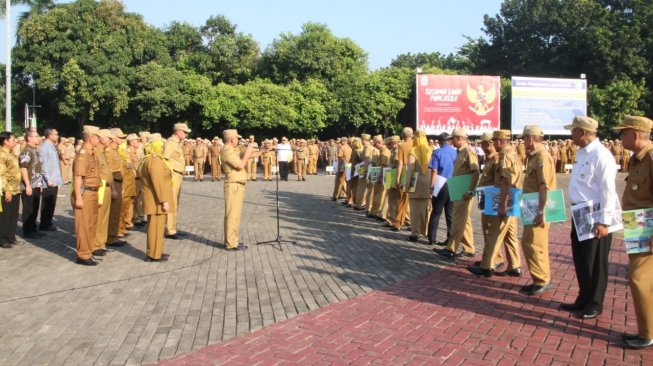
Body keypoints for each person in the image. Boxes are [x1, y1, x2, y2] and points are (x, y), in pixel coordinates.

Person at [559, 116, 620, 319]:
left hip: (596, 215)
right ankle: (583, 298)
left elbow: (608, 191)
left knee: (595, 262)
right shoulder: (582, 153)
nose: (571, 134)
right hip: (581, 212)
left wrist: (605, 221)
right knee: (582, 259)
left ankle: (595, 303)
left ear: (583, 132)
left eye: (574, 131)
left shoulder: (601, 155)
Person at [614, 115, 653, 349]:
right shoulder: (638, 159)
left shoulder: (649, 158)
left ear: (635, 135)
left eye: (624, 133)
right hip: (637, 224)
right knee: (643, 279)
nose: (621, 137)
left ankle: (647, 333)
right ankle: (646, 330)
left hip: (647, 228)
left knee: (638, 278)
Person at [467, 130, 522, 278]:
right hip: (510, 197)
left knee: (494, 233)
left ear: (497, 142)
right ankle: (514, 266)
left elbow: (504, 181)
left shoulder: (504, 156)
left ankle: (487, 266)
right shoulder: (512, 154)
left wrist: (502, 205)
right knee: (510, 235)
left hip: (504, 198)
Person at [519, 125, 556, 296]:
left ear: (530, 139)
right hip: (532, 205)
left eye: (524, 138)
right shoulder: (534, 156)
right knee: (534, 243)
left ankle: (541, 280)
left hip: (538, 208)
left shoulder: (542, 156)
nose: (523, 142)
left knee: (533, 243)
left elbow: (544, 186)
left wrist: (541, 212)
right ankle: (540, 278)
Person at [435, 128, 480, 260]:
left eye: (452, 139)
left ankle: (451, 249)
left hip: (464, 189)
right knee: (464, 221)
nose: (450, 141)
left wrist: (470, 191)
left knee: (457, 220)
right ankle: (469, 248)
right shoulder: (460, 152)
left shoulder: (468, 152)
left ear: (459, 138)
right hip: (459, 187)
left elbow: (476, 172)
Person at [221, 129, 259, 251]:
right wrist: (248, 151)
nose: (238, 140)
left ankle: (233, 240)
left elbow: (246, 155)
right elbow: (240, 165)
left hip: (237, 185)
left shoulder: (232, 150)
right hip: (233, 185)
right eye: (237, 138)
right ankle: (231, 243)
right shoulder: (227, 151)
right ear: (232, 139)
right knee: (232, 215)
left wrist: (264, 151)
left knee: (235, 215)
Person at [141, 133, 174, 262]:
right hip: (156, 200)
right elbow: (157, 181)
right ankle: (153, 254)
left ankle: (157, 251)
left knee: (159, 227)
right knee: (155, 227)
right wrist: (163, 200)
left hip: (156, 198)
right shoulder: (154, 159)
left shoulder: (152, 158)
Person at [73, 126, 102, 265]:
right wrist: (79, 197)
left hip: (93, 192)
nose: (99, 140)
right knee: (84, 226)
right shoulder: (83, 154)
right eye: (98, 137)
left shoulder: (91, 153)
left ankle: (88, 252)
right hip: (85, 193)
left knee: (91, 224)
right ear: (91, 138)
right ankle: (83, 255)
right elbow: (78, 177)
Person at [163, 122, 191, 239]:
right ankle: (170, 230)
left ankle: (173, 226)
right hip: (173, 175)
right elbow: (164, 160)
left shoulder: (178, 143)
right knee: (171, 202)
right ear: (178, 131)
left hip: (178, 176)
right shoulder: (170, 143)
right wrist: (169, 176)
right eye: (184, 132)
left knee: (175, 203)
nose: (186, 134)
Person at [427, 132, 456, 246]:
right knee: (450, 213)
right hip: (453, 183)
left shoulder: (437, 152)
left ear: (439, 142)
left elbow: (434, 170)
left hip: (441, 183)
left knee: (436, 212)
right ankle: (450, 237)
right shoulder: (455, 152)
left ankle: (432, 238)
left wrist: (431, 186)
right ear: (449, 141)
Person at [406, 130, 433, 242]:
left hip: (415, 183)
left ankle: (415, 232)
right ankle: (426, 231)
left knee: (415, 209)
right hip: (428, 182)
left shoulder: (413, 151)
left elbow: (410, 169)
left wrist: (407, 183)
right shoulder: (430, 150)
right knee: (427, 208)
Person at [20, 130, 46, 239]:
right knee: (28, 209)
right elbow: (23, 169)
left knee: (35, 208)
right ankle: (28, 231)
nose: (38, 138)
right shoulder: (26, 151)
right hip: (29, 185)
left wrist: (40, 184)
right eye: (36, 136)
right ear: (29, 138)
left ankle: (33, 229)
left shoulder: (35, 150)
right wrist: (28, 185)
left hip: (36, 184)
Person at [92, 129, 115, 258]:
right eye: (109, 139)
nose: (111, 141)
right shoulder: (95, 152)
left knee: (104, 217)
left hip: (107, 187)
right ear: (102, 139)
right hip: (100, 188)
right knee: (99, 216)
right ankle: (95, 244)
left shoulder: (102, 152)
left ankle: (101, 243)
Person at [0, 132, 21, 248]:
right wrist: (6, 190)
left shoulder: (12, 153)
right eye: (13, 140)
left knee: (14, 215)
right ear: (5, 141)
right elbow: (2, 174)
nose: (15, 142)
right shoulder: (2, 155)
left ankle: (11, 236)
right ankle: (3, 239)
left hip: (16, 189)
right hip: (7, 190)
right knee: (5, 216)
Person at [391, 127, 414, 231]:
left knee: (401, 199)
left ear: (403, 136)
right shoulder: (416, 145)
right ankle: (412, 222)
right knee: (411, 200)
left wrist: (398, 178)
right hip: (415, 173)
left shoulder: (402, 146)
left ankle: (398, 222)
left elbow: (400, 163)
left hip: (405, 171)